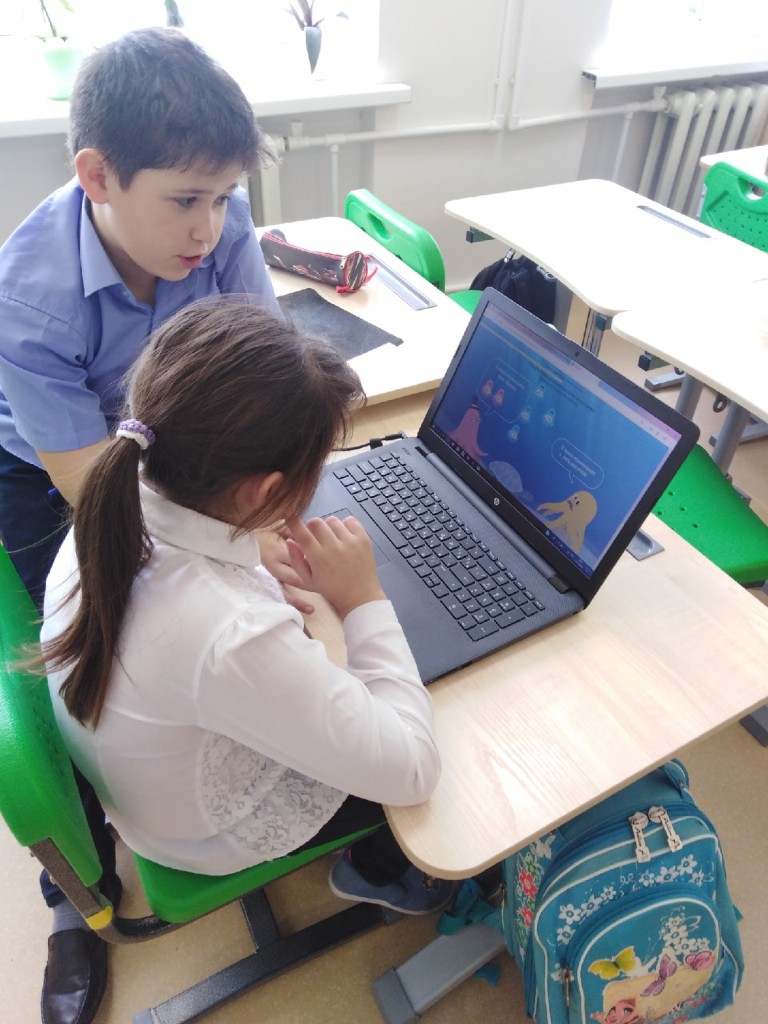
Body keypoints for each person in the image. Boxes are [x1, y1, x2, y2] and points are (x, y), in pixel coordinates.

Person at [41, 300, 450, 989]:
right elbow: (411, 768)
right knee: (455, 715)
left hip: (141, 787)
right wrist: (361, 598)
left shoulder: (120, 490)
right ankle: (382, 871)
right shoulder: (230, 635)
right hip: (200, 832)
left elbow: (194, 615)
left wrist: (247, 544)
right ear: (263, 492)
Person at [0, 26, 279, 1024]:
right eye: (186, 201)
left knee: (266, 586)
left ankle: (290, 772)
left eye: (224, 198)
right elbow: (93, 488)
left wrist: (264, 517)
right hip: (56, 470)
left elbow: (261, 369)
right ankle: (72, 891)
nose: (210, 228)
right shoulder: (28, 298)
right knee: (90, 659)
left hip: (173, 433)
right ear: (97, 177)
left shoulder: (221, 221)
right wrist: (218, 544)